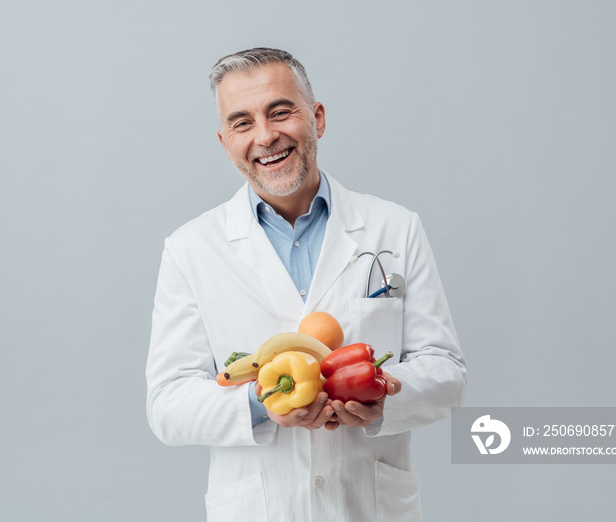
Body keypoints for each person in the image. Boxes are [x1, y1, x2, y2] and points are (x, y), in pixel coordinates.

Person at [146, 47, 467, 521]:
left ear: (316, 118)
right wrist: (261, 402)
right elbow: (167, 405)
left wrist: (382, 398)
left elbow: (447, 375)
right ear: (224, 141)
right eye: (242, 122)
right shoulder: (190, 249)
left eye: (280, 112)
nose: (265, 136)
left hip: (370, 507)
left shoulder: (394, 228)